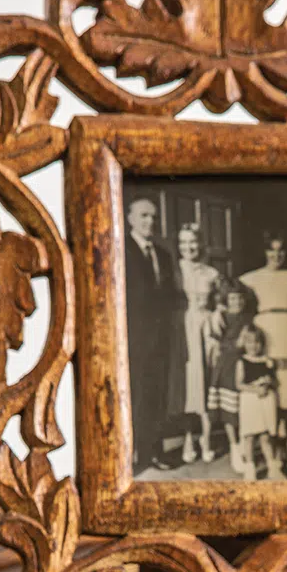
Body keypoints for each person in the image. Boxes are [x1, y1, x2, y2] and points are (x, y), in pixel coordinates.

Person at [124, 196, 184, 473]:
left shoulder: (162, 254)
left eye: (153, 217)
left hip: (160, 338)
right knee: (134, 395)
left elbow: (169, 294)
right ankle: (133, 455)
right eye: (144, 216)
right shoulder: (121, 250)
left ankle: (154, 451)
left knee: (157, 395)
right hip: (132, 338)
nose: (150, 222)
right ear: (130, 218)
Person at [239, 232, 287, 476]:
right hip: (266, 330)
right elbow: (228, 291)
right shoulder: (252, 278)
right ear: (265, 253)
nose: (276, 256)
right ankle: (272, 457)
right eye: (271, 251)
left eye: (281, 251)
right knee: (270, 399)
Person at [177, 224, 222, 465]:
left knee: (205, 382)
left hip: (205, 329)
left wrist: (214, 328)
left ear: (200, 243)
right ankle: (187, 438)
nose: (188, 247)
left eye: (192, 242)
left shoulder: (212, 273)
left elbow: (220, 303)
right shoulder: (175, 269)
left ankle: (205, 438)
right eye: (183, 242)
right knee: (187, 383)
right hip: (183, 328)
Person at [207, 278, 252, 474]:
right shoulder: (221, 317)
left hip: (243, 365)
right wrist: (232, 345)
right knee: (228, 409)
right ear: (227, 299)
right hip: (226, 365)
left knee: (241, 407)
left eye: (240, 298)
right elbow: (216, 343)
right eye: (233, 298)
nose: (237, 302)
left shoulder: (249, 317)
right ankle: (234, 447)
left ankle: (244, 443)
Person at [235, 325, 281, 481]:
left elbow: (275, 381)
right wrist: (255, 390)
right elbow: (239, 384)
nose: (253, 346)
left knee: (265, 436)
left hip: (266, 401)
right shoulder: (242, 361)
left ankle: (272, 468)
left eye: (257, 342)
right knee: (249, 436)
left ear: (262, 343)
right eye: (249, 342)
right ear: (244, 343)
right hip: (250, 401)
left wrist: (269, 382)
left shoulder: (267, 361)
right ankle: (250, 469)